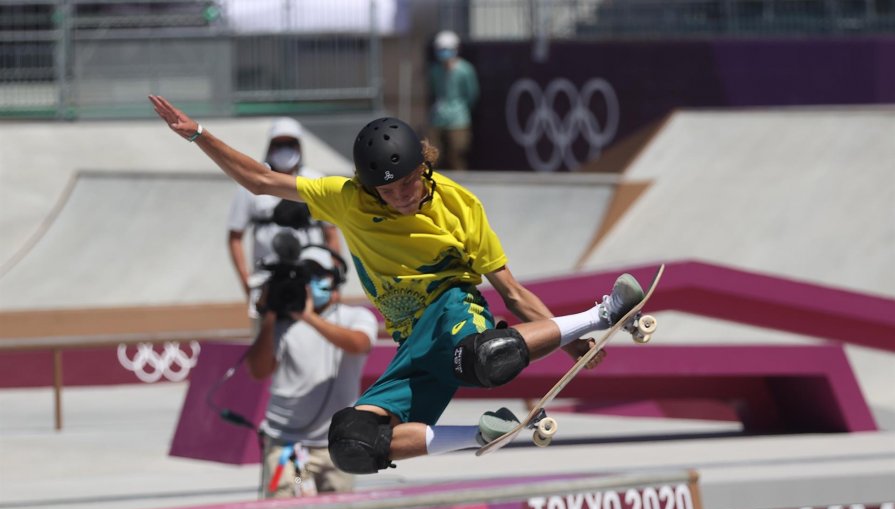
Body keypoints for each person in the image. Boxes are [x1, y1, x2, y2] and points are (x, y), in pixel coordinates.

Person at [149, 95, 646, 476]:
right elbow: (260, 180)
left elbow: (512, 292)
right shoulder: (345, 199)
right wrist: (198, 135)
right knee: (352, 442)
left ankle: (605, 311)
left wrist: (573, 336)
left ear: (424, 164)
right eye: (387, 192)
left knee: (486, 359)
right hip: (412, 344)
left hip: (451, 310)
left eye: (408, 183)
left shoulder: (461, 207)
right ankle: (480, 432)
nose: (402, 197)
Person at [246, 243, 379, 497]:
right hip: (290, 451)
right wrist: (270, 314)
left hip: (337, 448)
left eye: (320, 275)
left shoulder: (355, 317)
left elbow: (359, 345)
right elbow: (259, 370)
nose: (312, 282)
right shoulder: (280, 324)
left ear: (336, 279)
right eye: (306, 276)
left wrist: (309, 317)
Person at [227, 117, 343, 320]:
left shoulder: (316, 181)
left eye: (290, 144)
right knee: (268, 341)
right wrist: (246, 282)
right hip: (268, 280)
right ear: (269, 145)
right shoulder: (251, 184)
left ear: (300, 146)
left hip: (312, 278)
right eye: (278, 144)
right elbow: (235, 236)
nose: (284, 149)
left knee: (318, 336)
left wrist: (331, 279)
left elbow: (331, 234)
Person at [427, 30, 479, 170]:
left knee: (458, 153)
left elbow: (472, 94)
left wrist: (461, 108)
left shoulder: (465, 70)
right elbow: (433, 91)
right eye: (440, 49)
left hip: (458, 119)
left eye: (447, 49)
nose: (444, 53)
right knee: (432, 154)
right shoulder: (435, 70)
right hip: (438, 117)